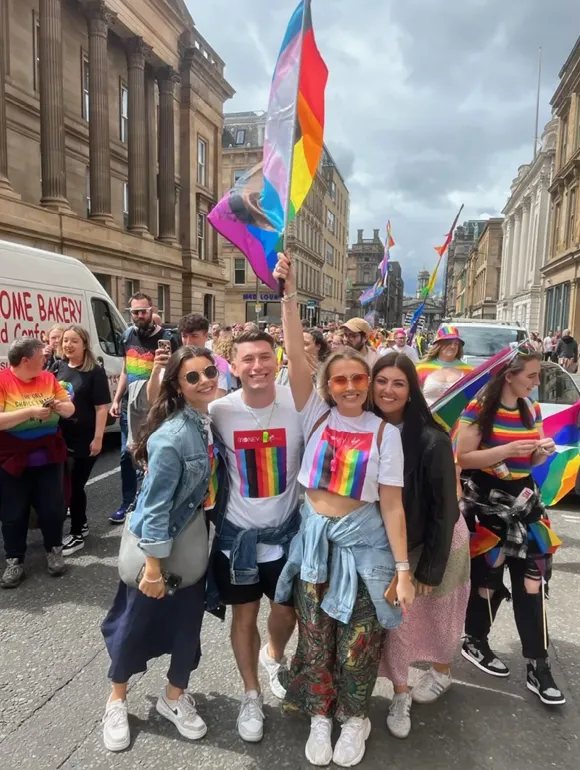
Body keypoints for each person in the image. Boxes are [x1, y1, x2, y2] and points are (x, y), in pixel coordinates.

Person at [273, 254, 413, 768]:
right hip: (314, 545)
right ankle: (320, 714)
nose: (351, 387)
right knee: (315, 636)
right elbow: (294, 353)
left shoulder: (385, 434)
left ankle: (355, 718)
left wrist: (402, 571)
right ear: (327, 386)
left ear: (370, 383)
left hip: (365, 550)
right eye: (340, 381)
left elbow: (393, 505)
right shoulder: (316, 413)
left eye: (360, 379)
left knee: (359, 640)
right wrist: (287, 293)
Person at [101, 347, 217, 752]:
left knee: (187, 627)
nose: (205, 380)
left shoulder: (205, 421)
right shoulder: (173, 435)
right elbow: (152, 506)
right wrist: (152, 567)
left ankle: (173, 697)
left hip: (189, 542)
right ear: (177, 386)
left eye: (209, 371)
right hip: (160, 550)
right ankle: (117, 700)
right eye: (192, 377)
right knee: (135, 624)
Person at [207, 329, 302, 744]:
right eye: (248, 359)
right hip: (238, 540)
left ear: (276, 359)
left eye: (264, 356)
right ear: (233, 364)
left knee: (288, 611)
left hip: (286, 537)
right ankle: (250, 694)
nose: (257, 366)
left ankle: (274, 654)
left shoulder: (299, 405)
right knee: (244, 618)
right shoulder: (218, 411)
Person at [456, 349, 565, 706]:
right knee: (489, 578)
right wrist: (505, 451)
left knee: (533, 580)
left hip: (524, 499)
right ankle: (475, 639)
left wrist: (539, 452)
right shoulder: (478, 408)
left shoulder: (530, 408)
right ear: (510, 375)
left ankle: (538, 663)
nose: (536, 383)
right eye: (531, 376)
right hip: (487, 500)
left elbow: (530, 457)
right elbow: (462, 458)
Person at [372, 353, 470, 738]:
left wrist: (430, 566)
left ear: (412, 389)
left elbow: (445, 509)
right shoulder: (364, 426)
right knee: (399, 626)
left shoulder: (432, 440)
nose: (388, 390)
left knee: (438, 618)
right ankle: (400, 691)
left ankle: (441, 672)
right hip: (393, 543)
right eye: (381, 381)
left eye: (399, 383)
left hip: (434, 542)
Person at [0, 337, 75, 588]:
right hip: (13, 459)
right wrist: (30, 412)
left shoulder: (48, 379)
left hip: (47, 456)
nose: (45, 360)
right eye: (41, 357)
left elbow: (70, 409)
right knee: (13, 511)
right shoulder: (2, 381)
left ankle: (54, 550)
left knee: (52, 507)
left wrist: (59, 406)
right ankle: (14, 559)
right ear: (25, 360)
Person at [109, 293, 178, 524]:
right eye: (135, 312)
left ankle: (156, 502)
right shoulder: (127, 336)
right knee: (127, 454)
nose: (139, 316)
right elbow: (126, 371)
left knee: (156, 454)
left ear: (152, 310)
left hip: (158, 407)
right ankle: (127, 501)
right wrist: (117, 399)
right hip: (131, 406)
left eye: (143, 311)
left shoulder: (169, 338)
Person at [54, 325, 111, 555]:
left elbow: (101, 408)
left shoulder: (94, 372)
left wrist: (98, 439)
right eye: (66, 340)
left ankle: (76, 533)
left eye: (74, 341)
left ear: (84, 344)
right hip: (61, 437)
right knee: (67, 485)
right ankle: (83, 524)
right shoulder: (59, 367)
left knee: (75, 486)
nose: (68, 345)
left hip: (85, 438)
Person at [416, 326, 473, 406]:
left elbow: (473, 399)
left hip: (459, 418)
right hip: (427, 417)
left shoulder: (469, 371)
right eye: (449, 343)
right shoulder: (422, 369)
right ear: (439, 345)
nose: (453, 346)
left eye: (456, 344)